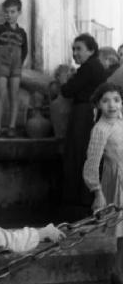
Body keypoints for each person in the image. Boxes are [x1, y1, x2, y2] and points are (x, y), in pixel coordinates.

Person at [59, 34, 106, 216]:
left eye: (79, 49)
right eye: (73, 49)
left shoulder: (89, 67)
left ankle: (80, 199)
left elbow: (68, 90)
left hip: (84, 114)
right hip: (88, 113)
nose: (75, 53)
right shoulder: (94, 66)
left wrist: (64, 79)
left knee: (79, 153)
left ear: (91, 50)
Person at [83, 83, 123, 284]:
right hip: (117, 183)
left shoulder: (121, 120)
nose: (112, 105)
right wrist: (97, 192)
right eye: (105, 101)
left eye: (116, 99)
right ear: (98, 104)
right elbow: (91, 163)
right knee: (121, 233)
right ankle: (118, 273)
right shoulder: (100, 129)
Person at [0, 0, 28, 138]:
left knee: (14, 95)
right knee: (1, 93)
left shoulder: (22, 33)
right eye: (6, 12)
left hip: (16, 65)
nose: (9, 14)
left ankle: (12, 126)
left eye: (12, 11)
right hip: (0, 63)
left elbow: (25, 50)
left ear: (19, 12)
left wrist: (19, 62)